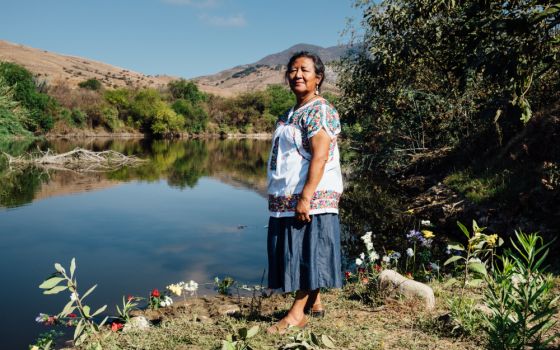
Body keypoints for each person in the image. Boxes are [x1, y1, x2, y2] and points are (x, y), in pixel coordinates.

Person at [266, 51, 343, 334]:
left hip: (311, 197)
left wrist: (306, 197)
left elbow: (320, 156)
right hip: (289, 197)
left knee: (309, 253)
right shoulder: (291, 112)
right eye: (292, 69)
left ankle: (297, 314)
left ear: (318, 78)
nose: (297, 74)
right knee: (304, 251)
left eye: (304, 70)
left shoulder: (319, 110)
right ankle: (315, 302)